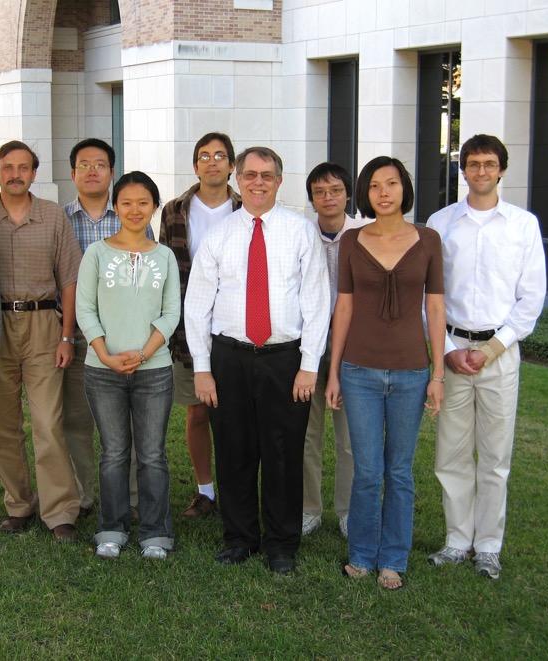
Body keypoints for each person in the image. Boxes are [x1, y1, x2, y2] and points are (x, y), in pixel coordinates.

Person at [185, 147, 330, 574]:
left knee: (284, 453)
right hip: (230, 357)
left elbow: (317, 302)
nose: (258, 183)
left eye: (267, 175)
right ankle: (240, 537)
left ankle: (282, 544)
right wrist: (202, 368)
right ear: (238, 178)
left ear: (279, 181)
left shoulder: (300, 232)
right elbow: (197, 307)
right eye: (250, 175)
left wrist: (309, 364)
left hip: (285, 359)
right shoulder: (220, 235)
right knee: (234, 450)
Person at [426, 135, 546, 580]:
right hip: (453, 353)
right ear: (462, 170)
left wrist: (493, 349)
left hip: (500, 354)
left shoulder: (523, 225)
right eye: (472, 163)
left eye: (489, 164)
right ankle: (458, 541)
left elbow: (531, 298)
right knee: (451, 454)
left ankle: (489, 545)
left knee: (495, 457)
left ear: (501, 170)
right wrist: (450, 353)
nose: (480, 171)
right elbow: (428, 296)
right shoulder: (440, 223)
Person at [325, 156, 446, 590]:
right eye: (374, 185)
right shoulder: (352, 241)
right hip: (359, 371)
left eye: (391, 183)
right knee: (367, 470)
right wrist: (335, 372)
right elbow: (344, 306)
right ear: (366, 193)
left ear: (403, 189)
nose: (383, 192)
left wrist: (437, 374)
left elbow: (435, 306)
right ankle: (361, 553)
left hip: (413, 372)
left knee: (399, 471)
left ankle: (393, 558)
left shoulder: (429, 240)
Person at [0, 141, 83, 542]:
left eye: (23, 167)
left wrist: (67, 335)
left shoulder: (52, 217)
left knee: (48, 423)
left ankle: (60, 511)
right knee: (1, 424)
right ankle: (18, 504)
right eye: (7, 167)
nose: (15, 174)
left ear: (34, 173)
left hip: (43, 326)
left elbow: (69, 280)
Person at [76, 171, 180, 560]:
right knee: (114, 452)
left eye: (143, 202)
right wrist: (104, 354)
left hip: (154, 369)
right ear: (115, 207)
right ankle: (112, 528)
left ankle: (155, 531)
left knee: (152, 453)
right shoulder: (97, 253)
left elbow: (171, 313)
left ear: (154, 206)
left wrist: (144, 352)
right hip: (103, 370)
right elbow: (85, 308)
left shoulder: (165, 256)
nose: (135, 210)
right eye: (126, 203)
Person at [63, 138, 154, 518]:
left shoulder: (132, 216)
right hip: (77, 335)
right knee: (76, 419)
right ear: (73, 174)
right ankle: (83, 496)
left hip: (125, 337)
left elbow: (147, 277)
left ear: (111, 172)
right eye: (84, 164)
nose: (92, 171)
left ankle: (131, 499)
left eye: (100, 164)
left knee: (126, 423)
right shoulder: (60, 219)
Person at [159, 131, 241, 518]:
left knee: (237, 412)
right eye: (204, 156)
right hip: (188, 325)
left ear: (231, 165)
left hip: (237, 323)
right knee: (197, 410)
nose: (212, 162)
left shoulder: (246, 209)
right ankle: (205, 491)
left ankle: (237, 489)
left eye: (220, 155)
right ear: (195, 166)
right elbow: (166, 269)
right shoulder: (175, 210)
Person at [301, 163, 370, 539]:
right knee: (306, 435)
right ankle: (309, 509)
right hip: (305, 349)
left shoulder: (364, 234)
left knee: (350, 438)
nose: (328, 198)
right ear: (311, 197)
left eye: (335, 190)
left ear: (347, 194)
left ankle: (348, 511)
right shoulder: (299, 233)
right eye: (319, 191)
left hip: (354, 348)